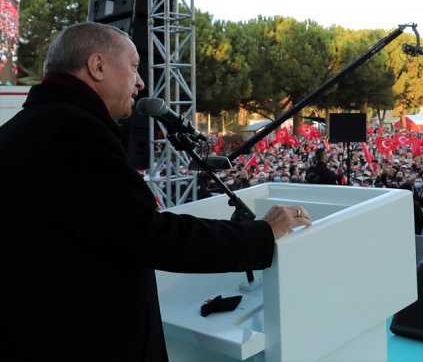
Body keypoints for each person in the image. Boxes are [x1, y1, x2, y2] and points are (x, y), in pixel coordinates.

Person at [0, 22, 313, 361]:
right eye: (133, 66)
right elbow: (147, 235)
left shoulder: (18, 131)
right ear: (98, 66)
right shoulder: (75, 133)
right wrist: (260, 235)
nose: (141, 82)